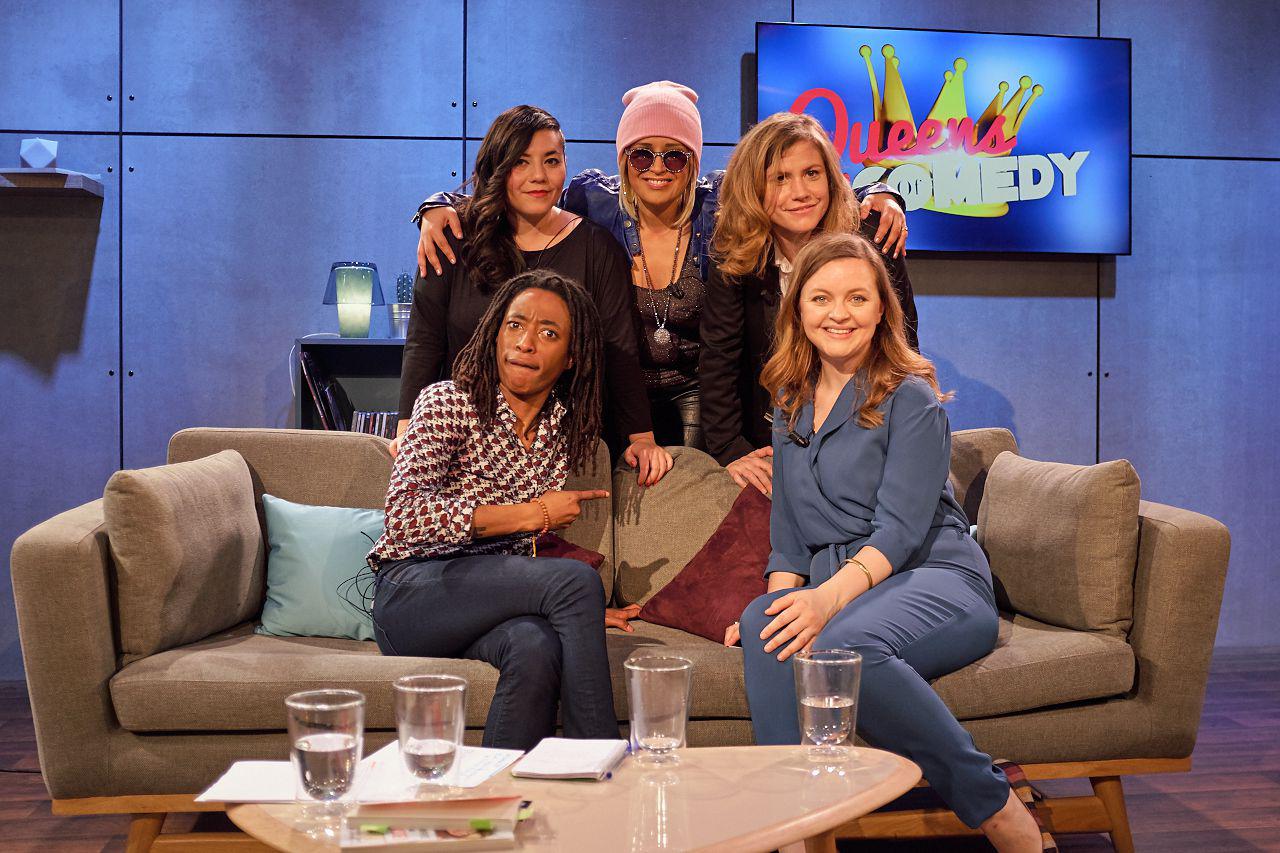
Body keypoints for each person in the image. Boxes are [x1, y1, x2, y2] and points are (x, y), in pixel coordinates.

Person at [732, 233, 1046, 851]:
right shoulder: (790, 400)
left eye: (857, 298)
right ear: (798, 310)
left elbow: (900, 531)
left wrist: (823, 602)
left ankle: (996, 807)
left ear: (882, 309)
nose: (839, 313)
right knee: (763, 625)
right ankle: (792, 832)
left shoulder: (911, 397)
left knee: (842, 650)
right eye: (821, 298)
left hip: (934, 575)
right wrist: (781, 603)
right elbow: (788, 534)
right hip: (848, 583)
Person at [412, 83, 909, 449]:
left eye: (674, 157)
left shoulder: (721, 206)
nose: (656, 167)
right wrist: (438, 205)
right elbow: (513, 189)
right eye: (641, 155)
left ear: (692, 163)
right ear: (623, 160)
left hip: (696, 386)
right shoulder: (591, 200)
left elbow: (797, 186)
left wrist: (881, 193)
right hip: (615, 385)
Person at [369, 269, 627, 751]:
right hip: (412, 595)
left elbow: (512, 561)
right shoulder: (448, 401)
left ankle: (500, 791)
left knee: (535, 645)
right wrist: (535, 514)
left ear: (572, 357)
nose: (525, 343)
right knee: (576, 582)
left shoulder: (559, 429)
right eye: (515, 325)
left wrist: (579, 616)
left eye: (548, 334)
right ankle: (601, 759)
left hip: (483, 604)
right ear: (495, 334)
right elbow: (404, 516)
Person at [393, 104, 672, 486]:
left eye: (551, 160)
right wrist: (408, 428)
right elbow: (424, 341)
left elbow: (619, 350)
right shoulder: (452, 237)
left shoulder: (597, 248)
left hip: (561, 451)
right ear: (497, 167)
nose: (539, 176)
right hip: (463, 445)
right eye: (521, 162)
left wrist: (641, 438)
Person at [699, 112, 920, 496]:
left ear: (831, 178)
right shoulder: (734, 253)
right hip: (774, 441)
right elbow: (719, 358)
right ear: (753, 188)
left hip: (866, 431)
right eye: (780, 179)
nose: (800, 192)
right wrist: (730, 449)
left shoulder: (873, 238)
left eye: (812, 173)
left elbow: (901, 346)